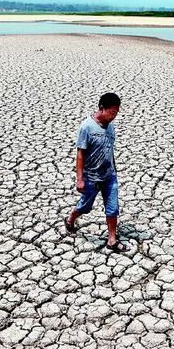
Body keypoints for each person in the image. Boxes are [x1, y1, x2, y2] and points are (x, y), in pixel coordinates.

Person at [64, 93, 130, 252]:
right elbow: (80, 153)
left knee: (112, 208)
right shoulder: (87, 127)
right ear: (102, 108)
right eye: (112, 112)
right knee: (85, 207)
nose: (114, 116)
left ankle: (112, 240)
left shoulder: (111, 126)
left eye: (116, 113)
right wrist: (79, 179)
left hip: (109, 175)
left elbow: (109, 149)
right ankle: (70, 219)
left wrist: (113, 168)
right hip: (91, 177)